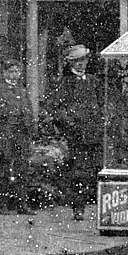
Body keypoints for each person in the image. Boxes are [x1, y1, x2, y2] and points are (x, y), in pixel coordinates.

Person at [46, 44, 104, 221]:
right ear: (70, 63)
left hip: (95, 133)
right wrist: (71, 124)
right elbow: (55, 109)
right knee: (78, 172)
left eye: (83, 60)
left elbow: (103, 103)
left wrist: (102, 120)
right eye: (77, 61)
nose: (81, 64)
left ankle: (100, 207)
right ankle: (78, 208)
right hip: (77, 136)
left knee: (96, 171)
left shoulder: (94, 81)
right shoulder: (65, 83)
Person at [0, 58, 35, 215]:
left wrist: (30, 130)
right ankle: (2, 205)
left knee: (21, 170)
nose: (14, 75)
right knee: (4, 171)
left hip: (21, 136)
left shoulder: (22, 91)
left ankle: (22, 205)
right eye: (11, 71)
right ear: (4, 73)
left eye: (17, 71)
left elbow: (28, 112)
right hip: (5, 135)